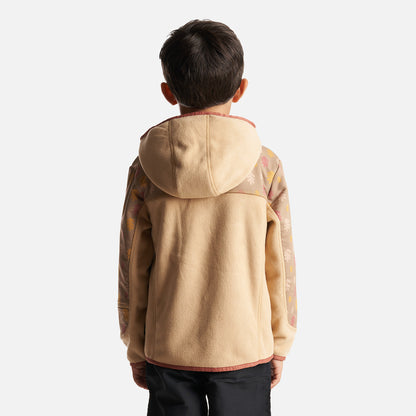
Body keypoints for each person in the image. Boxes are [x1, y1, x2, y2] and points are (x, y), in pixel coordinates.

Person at [117, 18, 298, 416]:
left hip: (168, 346)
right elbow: (280, 264)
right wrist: (280, 342)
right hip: (245, 346)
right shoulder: (264, 167)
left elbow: (132, 264)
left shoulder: (146, 170)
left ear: (168, 92)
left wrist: (136, 345)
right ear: (241, 88)